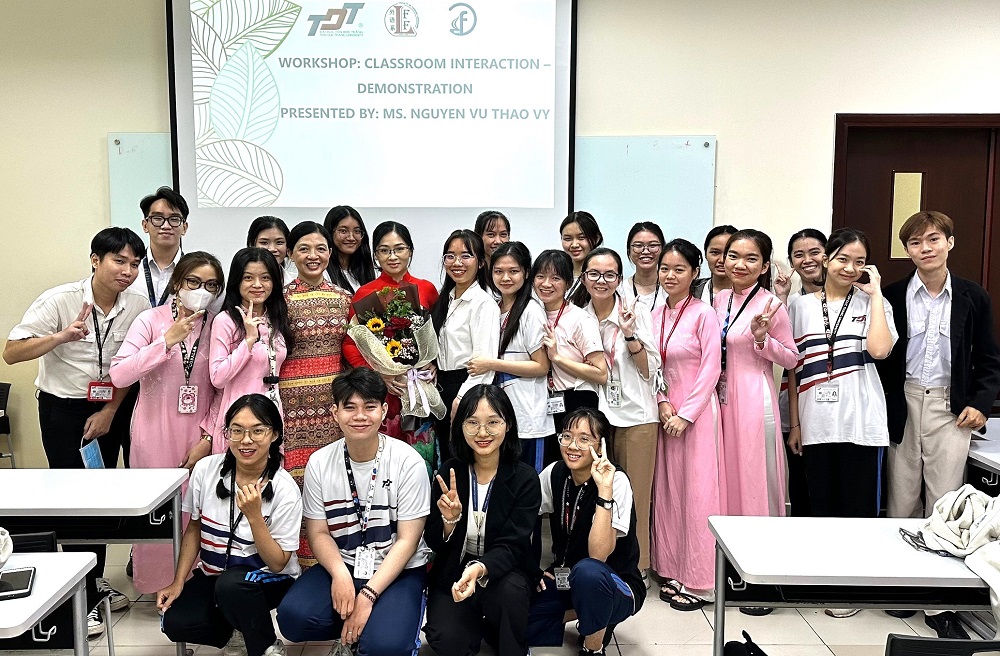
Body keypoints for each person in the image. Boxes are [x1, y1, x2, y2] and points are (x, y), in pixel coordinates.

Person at [3, 227, 150, 635]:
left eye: (135, 264)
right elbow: (11, 352)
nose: (127, 271)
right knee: (74, 498)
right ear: (95, 260)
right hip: (63, 409)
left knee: (104, 495)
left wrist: (109, 410)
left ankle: (94, 580)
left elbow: (132, 364)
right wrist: (59, 337)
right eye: (119, 261)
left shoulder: (137, 303)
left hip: (113, 406)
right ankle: (77, 588)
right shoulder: (59, 300)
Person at [876, 211, 1000, 638]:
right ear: (906, 250)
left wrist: (982, 403)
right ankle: (903, 588)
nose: (924, 248)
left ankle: (938, 601)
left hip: (953, 409)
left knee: (945, 503)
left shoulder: (973, 295)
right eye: (914, 242)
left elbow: (988, 358)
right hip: (904, 403)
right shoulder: (891, 295)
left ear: (950, 242)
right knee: (901, 497)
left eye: (933, 239)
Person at [276, 367, 432, 655]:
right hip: (346, 563)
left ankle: (381, 626)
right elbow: (318, 532)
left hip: (398, 569)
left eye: (369, 407)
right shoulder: (320, 462)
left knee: (385, 648)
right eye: (350, 407)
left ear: (384, 411)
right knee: (292, 619)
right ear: (335, 413)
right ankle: (356, 629)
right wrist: (340, 575)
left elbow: (408, 541)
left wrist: (368, 595)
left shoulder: (407, 461)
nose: (360, 416)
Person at [109, 251, 224, 594]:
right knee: (158, 514)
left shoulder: (217, 324)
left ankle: (195, 590)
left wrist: (207, 437)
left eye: (211, 285)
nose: (202, 290)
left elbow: (222, 387)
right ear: (177, 283)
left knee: (199, 512)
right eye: (193, 282)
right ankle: (157, 585)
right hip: (153, 432)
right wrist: (166, 341)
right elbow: (120, 374)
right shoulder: (150, 320)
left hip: (200, 435)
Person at [158, 394, 302, 656]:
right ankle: (240, 630)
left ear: (274, 435)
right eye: (237, 431)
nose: (246, 440)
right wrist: (178, 581)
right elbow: (194, 528)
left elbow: (279, 562)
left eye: (257, 431)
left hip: (269, 577)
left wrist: (255, 517)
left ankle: (266, 647)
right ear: (226, 434)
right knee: (175, 623)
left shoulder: (284, 489)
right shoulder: (206, 469)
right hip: (215, 573)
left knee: (231, 586)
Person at [423, 385, 541, 656]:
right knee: (448, 640)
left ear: (508, 424)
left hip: (503, 572)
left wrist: (479, 569)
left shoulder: (524, 479)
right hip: (454, 570)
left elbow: (513, 546)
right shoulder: (449, 471)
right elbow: (432, 540)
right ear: (460, 426)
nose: (483, 433)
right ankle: (473, 624)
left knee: (510, 595)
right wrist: (448, 522)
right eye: (472, 423)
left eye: (493, 423)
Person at [787, 228, 895, 517]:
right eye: (843, 259)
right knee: (820, 511)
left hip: (862, 425)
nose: (851, 268)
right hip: (815, 423)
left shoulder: (876, 304)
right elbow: (795, 369)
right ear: (825, 259)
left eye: (860, 262)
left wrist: (875, 296)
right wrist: (795, 425)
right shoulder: (800, 306)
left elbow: (880, 351)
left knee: (859, 515)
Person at [526, 408, 644, 655]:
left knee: (588, 572)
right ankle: (591, 615)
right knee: (515, 625)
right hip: (565, 577)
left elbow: (598, 555)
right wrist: (529, 568)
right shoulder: (555, 472)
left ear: (600, 447)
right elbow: (522, 515)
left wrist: (604, 492)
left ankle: (593, 647)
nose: (573, 445)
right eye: (567, 436)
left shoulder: (617, 481)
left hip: (614, 583)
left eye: (584, 439)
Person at [578, 247, 660, 587]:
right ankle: (599, 562)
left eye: (609, 275)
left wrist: (629, 336)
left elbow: (651, 370)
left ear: (619, 278)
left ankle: (636, 566)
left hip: (635, 417)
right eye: (594, 274)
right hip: (596, 418)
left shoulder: (635, 312)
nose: (601, 281)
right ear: (583, 277)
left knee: (635, 495)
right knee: (598, 494)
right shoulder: (578, 315)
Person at [649, 239, 723, 611]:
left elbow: (712, 367)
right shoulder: (656, 312)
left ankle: (701, 579)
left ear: (695, 273)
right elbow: (652, 364)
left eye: (679, 269)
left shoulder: (704, 314)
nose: (670, 275)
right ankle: (672, 568)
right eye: (665, 268)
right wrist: (663, 403)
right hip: (666, 412)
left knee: (698, 494)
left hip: (697, 414)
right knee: (670, 492)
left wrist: (686, 413)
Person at [279, 221, 352, 564]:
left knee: (332, 484)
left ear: (330, 253)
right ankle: (297, 564)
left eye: (321, 248)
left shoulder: (343, 298)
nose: (313, 256)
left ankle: (332, 560)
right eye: (304, 249)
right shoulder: (279, 299)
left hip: (332, 407)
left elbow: (354, 352)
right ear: (291, 254)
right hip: (292, 409)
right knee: (296, 485)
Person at [714, 229, 799, 517]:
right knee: (725, 471)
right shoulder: (720, 298)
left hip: (753, 398)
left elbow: (791, 359)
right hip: (721, 397)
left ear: (763, 267)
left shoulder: (770, 305)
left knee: (752, 472)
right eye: (733, 256)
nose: (740, 264)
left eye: (751, 259)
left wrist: (761, 340)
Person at [343, 220, 440, 465]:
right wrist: (379, 374)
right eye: (384, 250)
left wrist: (433, 364)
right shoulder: (365, 293)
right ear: (375, 254)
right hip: (385, 391)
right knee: (384, 461)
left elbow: (438, 335)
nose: (392, 256)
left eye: (399, 248)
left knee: (421, 460)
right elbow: (350, 344)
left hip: (420, 388)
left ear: (410, 251)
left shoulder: (427, 289)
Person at [466, 241, 553, 472]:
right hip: (500, 416)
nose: (506, 278)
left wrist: (491, 364)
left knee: (528, 485)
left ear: (526, 272)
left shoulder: (531, 311)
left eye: (513, 271)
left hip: (528, 418)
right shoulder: (493, 308)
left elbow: (541, 366)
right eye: (498, 271)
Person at [210, 248, 294, 451]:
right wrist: (248, 340)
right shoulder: (226, 320)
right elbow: (218, 377)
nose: (257, 285)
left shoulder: (276, 319)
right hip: (239, 419)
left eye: (265, 277)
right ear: (237, 281)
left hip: (271, 414)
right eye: (248, 278)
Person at [531, 250, 608, 466]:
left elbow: (601, 374)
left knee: (576, 467)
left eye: (555, 278)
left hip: (578, 401)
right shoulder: (532, 314)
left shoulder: (580, 319)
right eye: (540, 276)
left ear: (568, 283)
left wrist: (557, 358)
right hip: (547, 400)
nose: (546, 284)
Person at [431, 229, 501, 462]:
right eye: (450, 256)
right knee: (446, 459)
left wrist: (461, 399)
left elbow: (483, 364)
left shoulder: (483, 304)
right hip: (442, 386)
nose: (457, 262)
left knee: (463, 460)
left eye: (466, 256)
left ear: (481, 262)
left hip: (466, 389)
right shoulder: (446, 299)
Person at [776, 228, 827, 518]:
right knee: (802, 488)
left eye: (814, 252)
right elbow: (782, 351)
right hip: (795, 409)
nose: (807, 260)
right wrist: (781, 298)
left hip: (837, 412)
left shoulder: (856, 297)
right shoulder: (791, 303)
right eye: (799, 254)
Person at [128, 186, 188, 308]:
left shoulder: (194, 272)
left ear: (184, 228)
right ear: (145, 225)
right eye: (157, 218)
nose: (166, 226)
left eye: (174, 219)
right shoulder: (128, 269)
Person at [324, 205, 376, 294]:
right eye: (343, 231)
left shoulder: (370, 270)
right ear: (330, 232)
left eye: (357, 231)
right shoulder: (323, 273)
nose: (351, 238)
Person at [619, 222, 667, 314]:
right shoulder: (620, 290)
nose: (645, 251)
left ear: (663, 249)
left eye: (653, 245)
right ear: (629, 250)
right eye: (638, 246)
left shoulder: (671, 288)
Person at [560, 211, 603, 304]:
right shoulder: (557, 273)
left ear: (597, 238)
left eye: (581, 237)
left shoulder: (603, 277)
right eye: (568, 239)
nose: (574, 245)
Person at [692, 224, 738, 304]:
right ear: (705, 254)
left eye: (729, 254)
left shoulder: (752, 294)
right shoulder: (690, 290)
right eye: (715, 252)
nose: (721, 260)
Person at [247, 215, 297, 286]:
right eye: (264, 243)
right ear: (251, 244)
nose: (272, 249)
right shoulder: (239, 282)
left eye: (279, 242)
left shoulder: (295, 285)